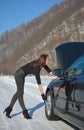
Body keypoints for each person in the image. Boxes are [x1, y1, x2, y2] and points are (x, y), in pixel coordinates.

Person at [4, 54, 59, 119]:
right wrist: (42, 94)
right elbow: (39, 83)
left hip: (20, 74)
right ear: (43, 60)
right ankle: (25, 112)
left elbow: (49, 71)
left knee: (18, 93)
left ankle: (9, 109)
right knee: (20, 93)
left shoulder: (41, 64)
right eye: (48, 59)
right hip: (18, 75)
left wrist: (56, 76)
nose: (49, 61)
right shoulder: (37, 69)